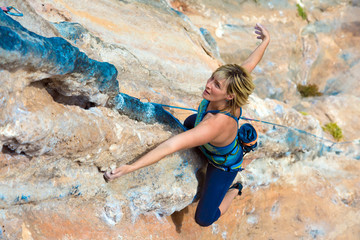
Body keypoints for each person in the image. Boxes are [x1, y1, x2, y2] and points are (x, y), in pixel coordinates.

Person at [104, 23, 270, 227]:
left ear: (229, 96)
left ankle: (236, 187)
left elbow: (172, 145)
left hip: (223, 164)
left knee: (204, 218)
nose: (208, 85)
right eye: (212, 78)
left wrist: (131, 167)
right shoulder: (231, 90)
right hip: (209, 136)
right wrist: (265, 41)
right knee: (189, 122)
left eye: (216, 85)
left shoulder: (214, 125)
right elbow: (249, 66)